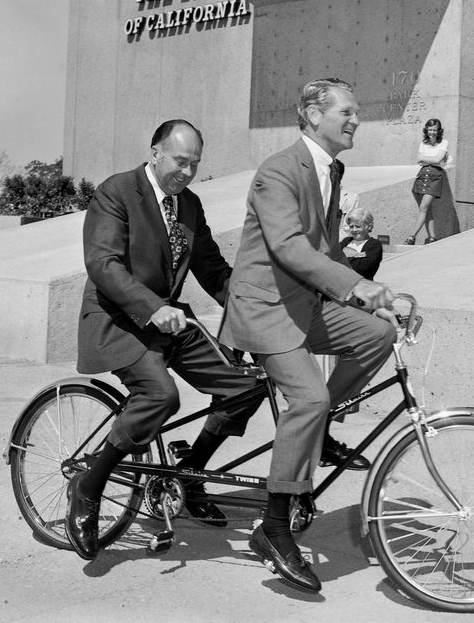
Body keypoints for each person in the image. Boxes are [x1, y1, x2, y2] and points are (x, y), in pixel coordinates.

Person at [219, 78, 398, 593]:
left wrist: (369, 301)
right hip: (265, 308)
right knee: (310, 396)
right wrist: (363, 288)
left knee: (375, 339)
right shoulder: (277, 171)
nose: (356, 120)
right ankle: (273, 529)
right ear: (312, 114)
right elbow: (291, 249)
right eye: (346, 111)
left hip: (305, 304)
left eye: (356, 111)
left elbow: (328, 252)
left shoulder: (332, 170)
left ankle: (315, 433)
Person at [66, 120, 265, 561]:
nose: (188, 172)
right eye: (180, 161)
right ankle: (88, 487)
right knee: (160, 395)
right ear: (155, 152)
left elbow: (213, 270)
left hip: (171, 324)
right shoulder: (116, 192)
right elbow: (103, 263)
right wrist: (151, 305)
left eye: (195, 164)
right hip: (119, 319)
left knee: (247, 385)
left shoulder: (189, 205)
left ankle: (189, 476)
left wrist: (261, 311)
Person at [406, 118, 450, 244]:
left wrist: (426, 159)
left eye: (435, 130)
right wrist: (431, 159)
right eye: (430, 129)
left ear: (439, 131)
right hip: (423, 175)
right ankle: (432, 236)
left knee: (423, 207)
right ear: (427, 130)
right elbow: (419, 159)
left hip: (435, 176)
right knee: (426, 209)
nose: (432, 132)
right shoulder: (423, 143)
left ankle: (412, 236)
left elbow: (438, 160)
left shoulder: (444, 143)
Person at [340, 207, 383, 280]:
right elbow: (331, 259)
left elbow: (361, 268)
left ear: (368, 226)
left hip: (362, 287)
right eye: (351, 226)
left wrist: (342, 258)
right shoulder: (345, 241)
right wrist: (355, 257)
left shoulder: (375, 245)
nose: (354, 230)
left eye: (358, 226)